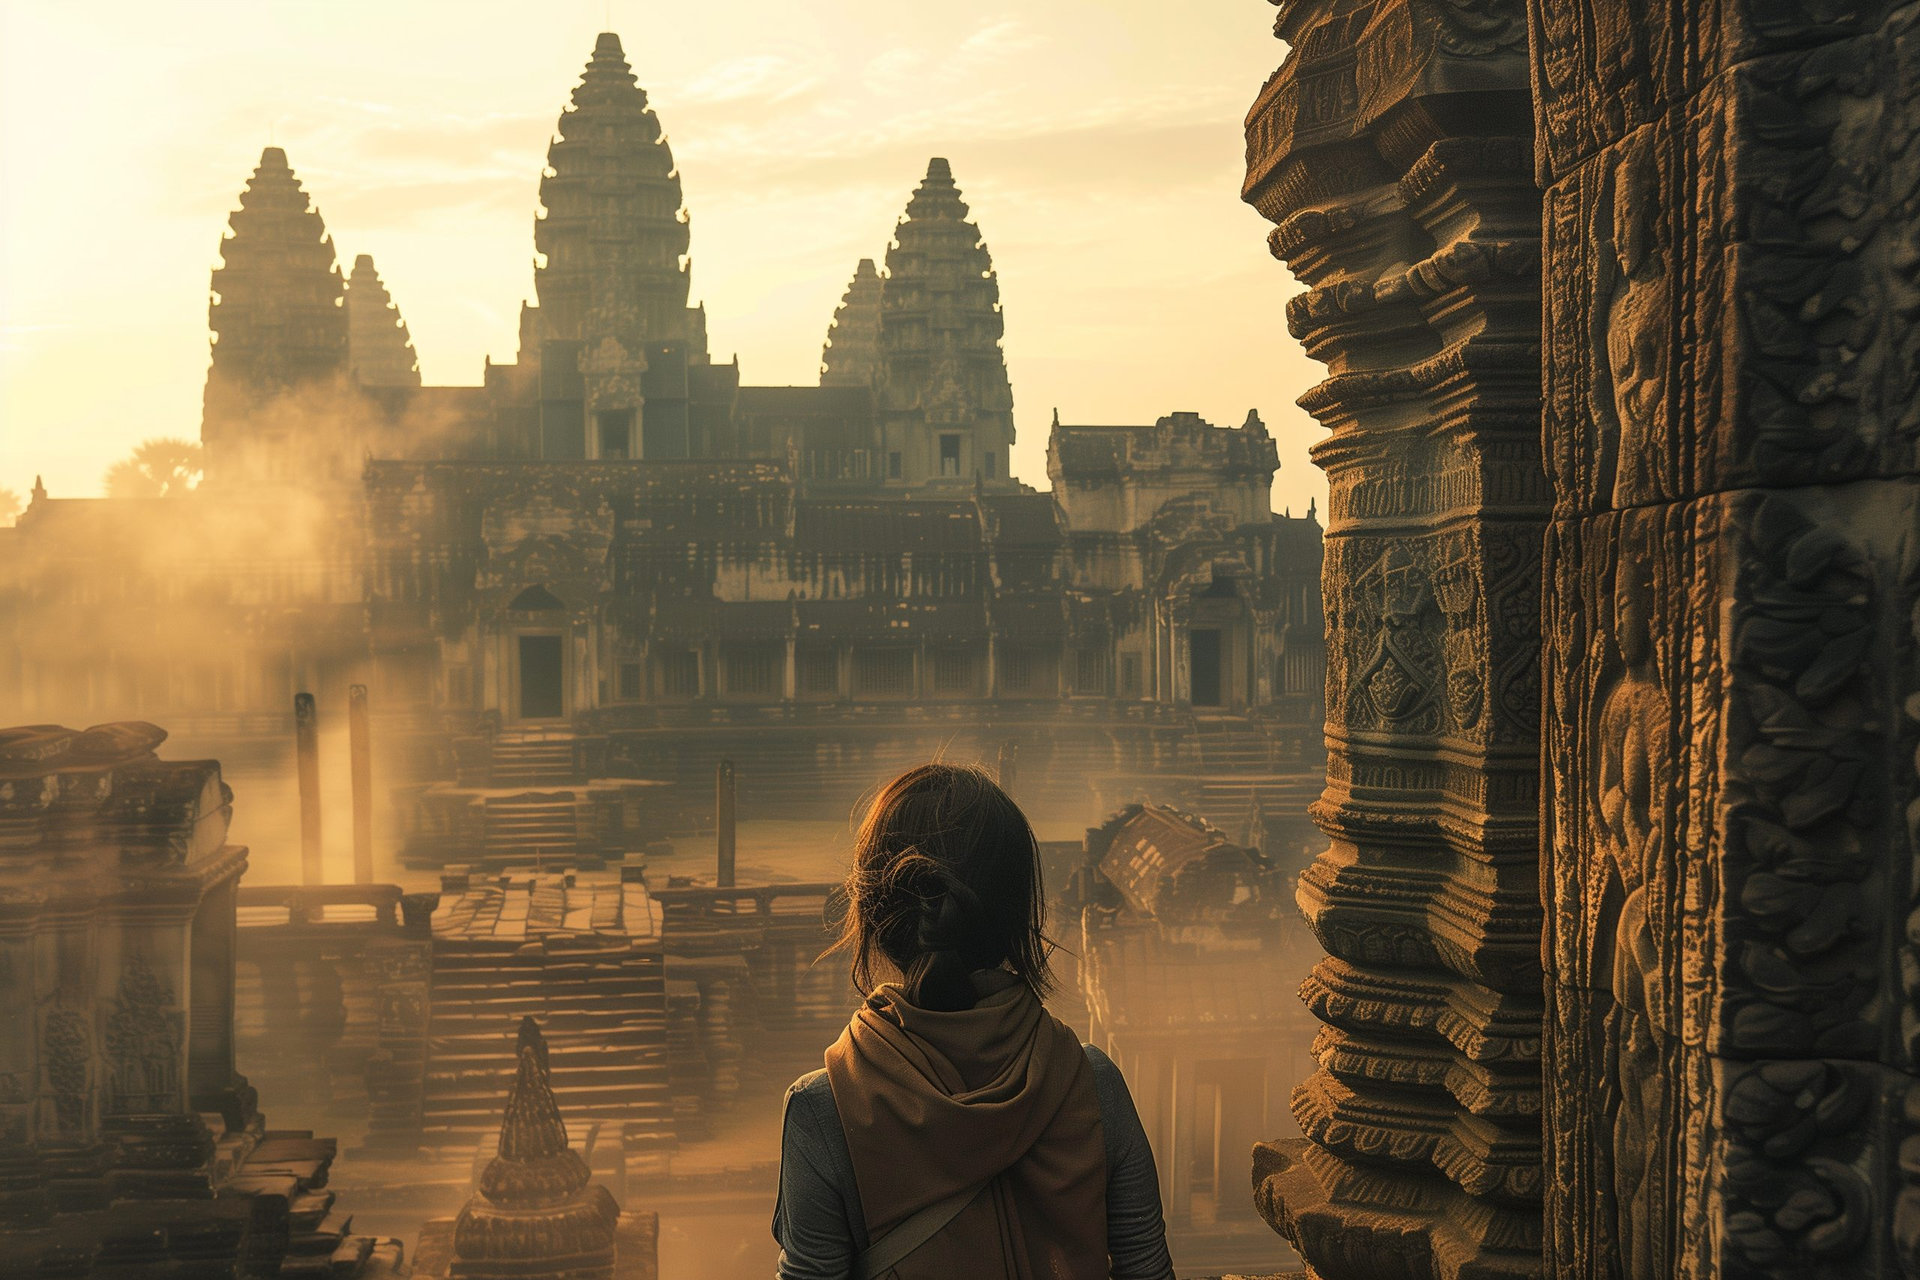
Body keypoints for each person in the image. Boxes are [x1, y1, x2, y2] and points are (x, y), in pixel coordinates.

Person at [772, 763, 1175, 1280]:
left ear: (876, 912)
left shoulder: (824, 1112)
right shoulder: (1092, 1084)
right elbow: (1146, 1271)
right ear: (1017, 916)